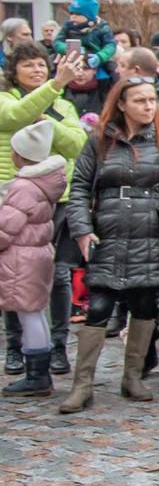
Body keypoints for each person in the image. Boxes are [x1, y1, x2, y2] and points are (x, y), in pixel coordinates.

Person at [62, 78, 159, 414]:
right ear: (121, 104)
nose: (149, 106)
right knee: (98, 308)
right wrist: (81, 228)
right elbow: (78, 187)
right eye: (139, 101)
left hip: (150, 233)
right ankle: (83, 385)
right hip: (108, 232)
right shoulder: (100, 140)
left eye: (152, 100)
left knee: (145, 303)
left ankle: (132, 376)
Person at [0, 44, 87, 378]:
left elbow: (75, 144)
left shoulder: (61, 104)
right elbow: (14, 117)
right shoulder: (7, 98)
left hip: (57, 199)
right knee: (13, 274)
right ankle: (15, 347)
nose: (37, 70)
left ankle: (58, 348)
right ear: (14, 71)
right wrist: (49, 93)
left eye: (41, 65)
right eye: (28, 66)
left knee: (60, 274)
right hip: (15, 198)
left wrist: (45, 116)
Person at [0, 121, 68, 399]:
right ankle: (38, 374)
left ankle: (37, 376)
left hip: (20, 258)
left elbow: (6, 227)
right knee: (35, 313)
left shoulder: (24, 187)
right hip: (36, 254)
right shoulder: (44, 183)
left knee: (28, 314)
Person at [57, 0, 118, 113]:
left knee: (114, 72)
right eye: (71, 13)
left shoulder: (102, 28)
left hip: (95, 59)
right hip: (71, 58)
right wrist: (67, 49)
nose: (73, 17)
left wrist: (100, 56)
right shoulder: (68, 26)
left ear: (89, 16)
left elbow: (110, 45)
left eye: (78, 14)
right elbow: (58, 42)